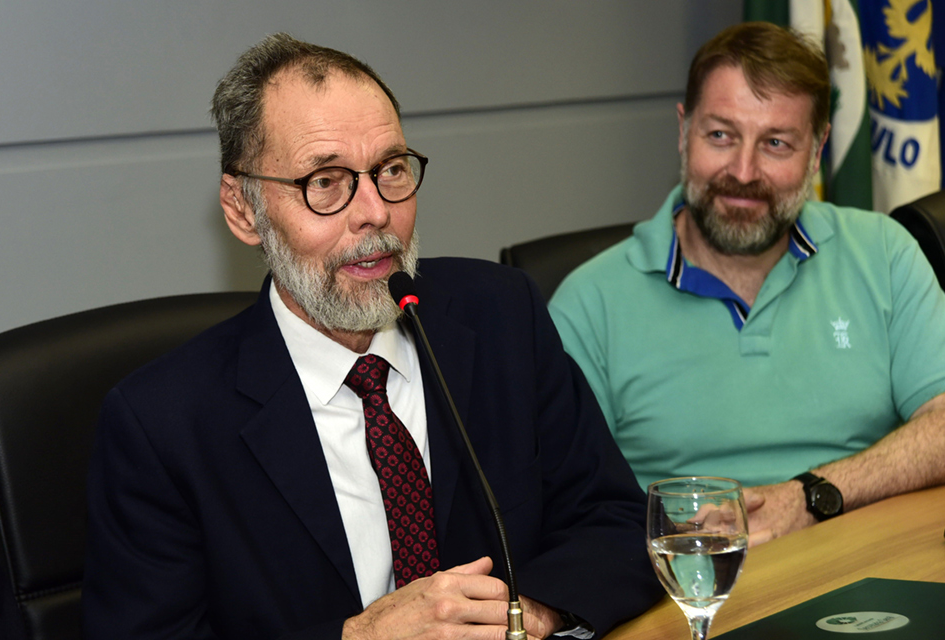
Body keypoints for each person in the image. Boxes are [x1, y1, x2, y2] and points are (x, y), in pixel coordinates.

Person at [82, 33, 661, 640]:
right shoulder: (161, 424)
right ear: (244, 210)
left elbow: (617, 520)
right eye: (326, 181)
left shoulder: (500, 318)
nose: (375, 212)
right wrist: (358, 638)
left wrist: (529, 614)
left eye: (389, 170)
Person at [550, 22, 945, 546]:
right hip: (687, 590)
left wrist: (808, 497)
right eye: (720, 135)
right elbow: (560, 507)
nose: (743, 171)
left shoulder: (885, 253)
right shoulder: (587, 304)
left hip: (866, 576)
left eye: (776, 143)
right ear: (683, 130)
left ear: (819, 147)